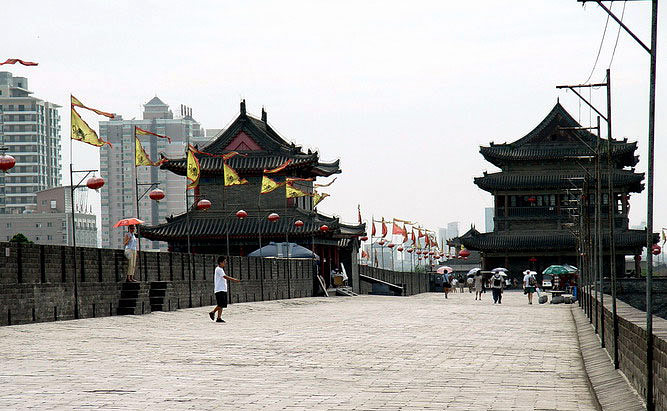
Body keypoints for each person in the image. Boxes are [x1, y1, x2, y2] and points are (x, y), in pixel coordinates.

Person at [209, 256, 240, 323]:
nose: (226, 263)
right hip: (219, 289)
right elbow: (225, 277)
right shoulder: (218, 269)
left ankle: (219, 317)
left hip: (223, 289)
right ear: (221, 262)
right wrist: (234, 279)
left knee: (222, 304)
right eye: (224, 261)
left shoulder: (221, 269)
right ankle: (212, 312)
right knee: (220, 304)